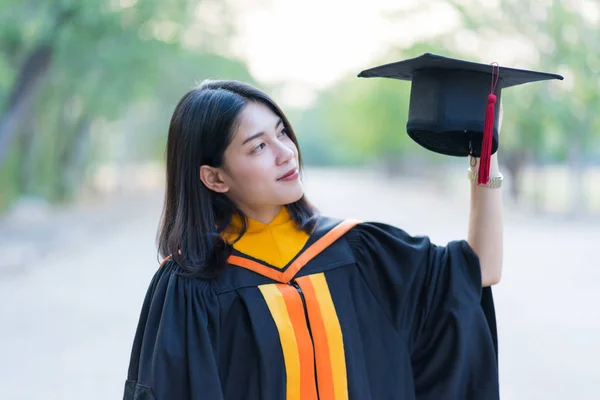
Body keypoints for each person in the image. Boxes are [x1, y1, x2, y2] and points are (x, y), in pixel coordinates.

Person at [122, 76, 504, 399]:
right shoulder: (191, 289)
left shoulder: (358, 252)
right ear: (214, 177)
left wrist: (484, 156)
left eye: (281, 131)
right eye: (258, 146)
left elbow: (480, 269)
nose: (286, 152)